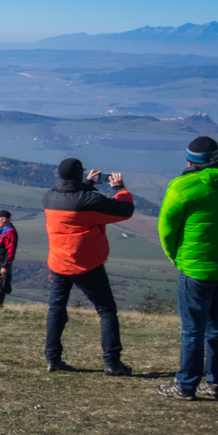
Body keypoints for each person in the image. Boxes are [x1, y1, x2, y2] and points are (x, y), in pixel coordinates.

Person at [155, 136, 218, 401]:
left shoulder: (182, 187)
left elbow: (167, 230)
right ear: (216, 158)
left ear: (189, 160)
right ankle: (216, 382)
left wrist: (177, 258)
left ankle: (186, 386)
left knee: (193, 329)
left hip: (196, 268)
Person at [43, 158, 134, 375]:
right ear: (78, 174)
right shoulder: (90, 201)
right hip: (86, 265)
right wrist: (120, 189)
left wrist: (86, 183)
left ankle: (52, 359)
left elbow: (70, 197)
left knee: (56, 309)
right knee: (106, 310)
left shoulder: (48, 197)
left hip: (58, 263)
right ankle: (112, 363)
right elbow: (125, 210)